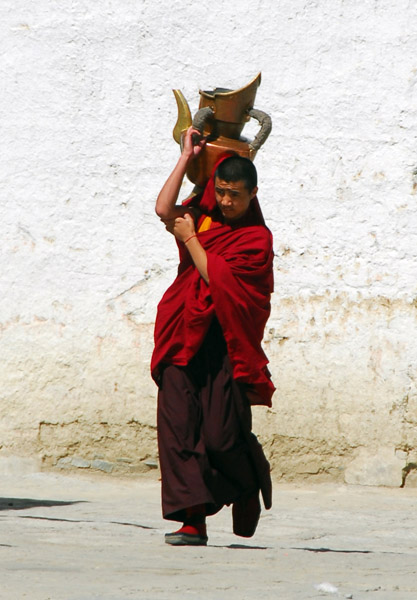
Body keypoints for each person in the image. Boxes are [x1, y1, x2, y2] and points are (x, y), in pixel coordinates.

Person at [151, 126, 275, 546]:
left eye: (234, 195)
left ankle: (247, 477)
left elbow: (220, 281)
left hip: (224, 342)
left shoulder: (256, 239)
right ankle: (192, 522)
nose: (225, 201)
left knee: (222, 436)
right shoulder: (203, 213)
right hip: (182, 333)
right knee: (178, 431)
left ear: (252, 194)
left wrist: (190, 241)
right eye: (220, 191)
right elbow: (163, 208)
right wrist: (187, 157)